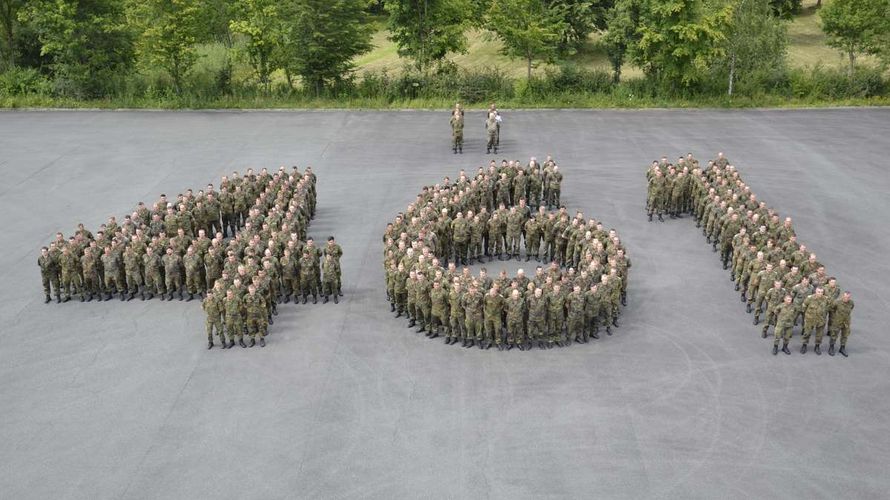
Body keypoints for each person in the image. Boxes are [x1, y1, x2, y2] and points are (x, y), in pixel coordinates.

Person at [828, 291, 854, 357]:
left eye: (848, 297)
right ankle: (831, 347)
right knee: (834, 334)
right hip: (837, 321)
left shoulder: (851, 303)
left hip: (846, 322)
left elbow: (851, 308)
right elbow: (832, 309)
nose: (846, 299)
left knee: (845, 335)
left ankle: (842, 348)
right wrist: (835, 317)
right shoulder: (837, 302)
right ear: (843, 296)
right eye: (845, 297)